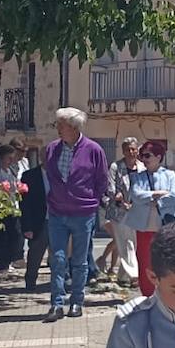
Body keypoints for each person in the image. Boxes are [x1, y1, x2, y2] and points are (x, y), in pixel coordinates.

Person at [42, 108, 109, 321]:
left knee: (79, 261)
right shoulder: (52, 149)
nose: (58, 129)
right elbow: (50, 176)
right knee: (58, 258)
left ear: (73, 127)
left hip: (83, 212)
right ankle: (56, 304)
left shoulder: (93, 150)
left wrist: (92, 201)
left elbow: (102, 180)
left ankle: (77, 302)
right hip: (57, 211)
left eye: (60, 125)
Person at [121, 140, 175, 297]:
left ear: (158, 156)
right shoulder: (137, 177)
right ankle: (147, 295)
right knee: (145, 261)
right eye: (142, 156)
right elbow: (136, 195)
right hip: (144, 227)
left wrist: (154, 200)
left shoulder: (170, 175)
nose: (143, 158)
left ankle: (167, 294)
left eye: (147, 155)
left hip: (166, 226)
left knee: (167, 262)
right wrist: (157, 194)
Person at [105, 138, 143, 287]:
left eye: (133, 149)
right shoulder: (116, 166)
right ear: (123, 151)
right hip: (119, 211)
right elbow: (110, 187)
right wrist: (119, 199)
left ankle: (123, 276)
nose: (131, 152)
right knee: (125, 243)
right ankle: (134, 275)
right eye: (128, 149)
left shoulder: (142, 167)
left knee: (133, 244)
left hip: (137, 211)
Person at [0, 144, 24, 273]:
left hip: (12, 206)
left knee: (15, 234)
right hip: (2, 208)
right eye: (8, 158)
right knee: (3, 237)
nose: (11, 160)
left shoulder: (10, 170)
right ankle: (2, 263)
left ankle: (10, 260)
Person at [20, 162, 50, 292]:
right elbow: (24, 203)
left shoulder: (59, 174)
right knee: (35, 254)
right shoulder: (29, 176)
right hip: (39, 221)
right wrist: (27, 226)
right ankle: (30, 281)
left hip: (57, 220)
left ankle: (59, 282)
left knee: (58, 255)